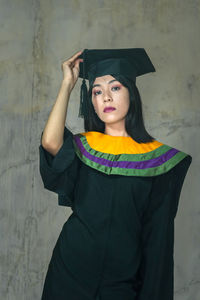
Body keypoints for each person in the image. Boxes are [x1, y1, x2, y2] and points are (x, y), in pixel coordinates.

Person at [39, 48, 192, 300]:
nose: (106, 98)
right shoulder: (84, 146)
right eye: (97, 92)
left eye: (116, 88)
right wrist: (67, 84)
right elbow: (50, 143)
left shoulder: (161, 161)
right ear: (92, 103)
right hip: (70, 272)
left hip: (121, 283)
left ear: (132, 93)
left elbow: (157, 245)